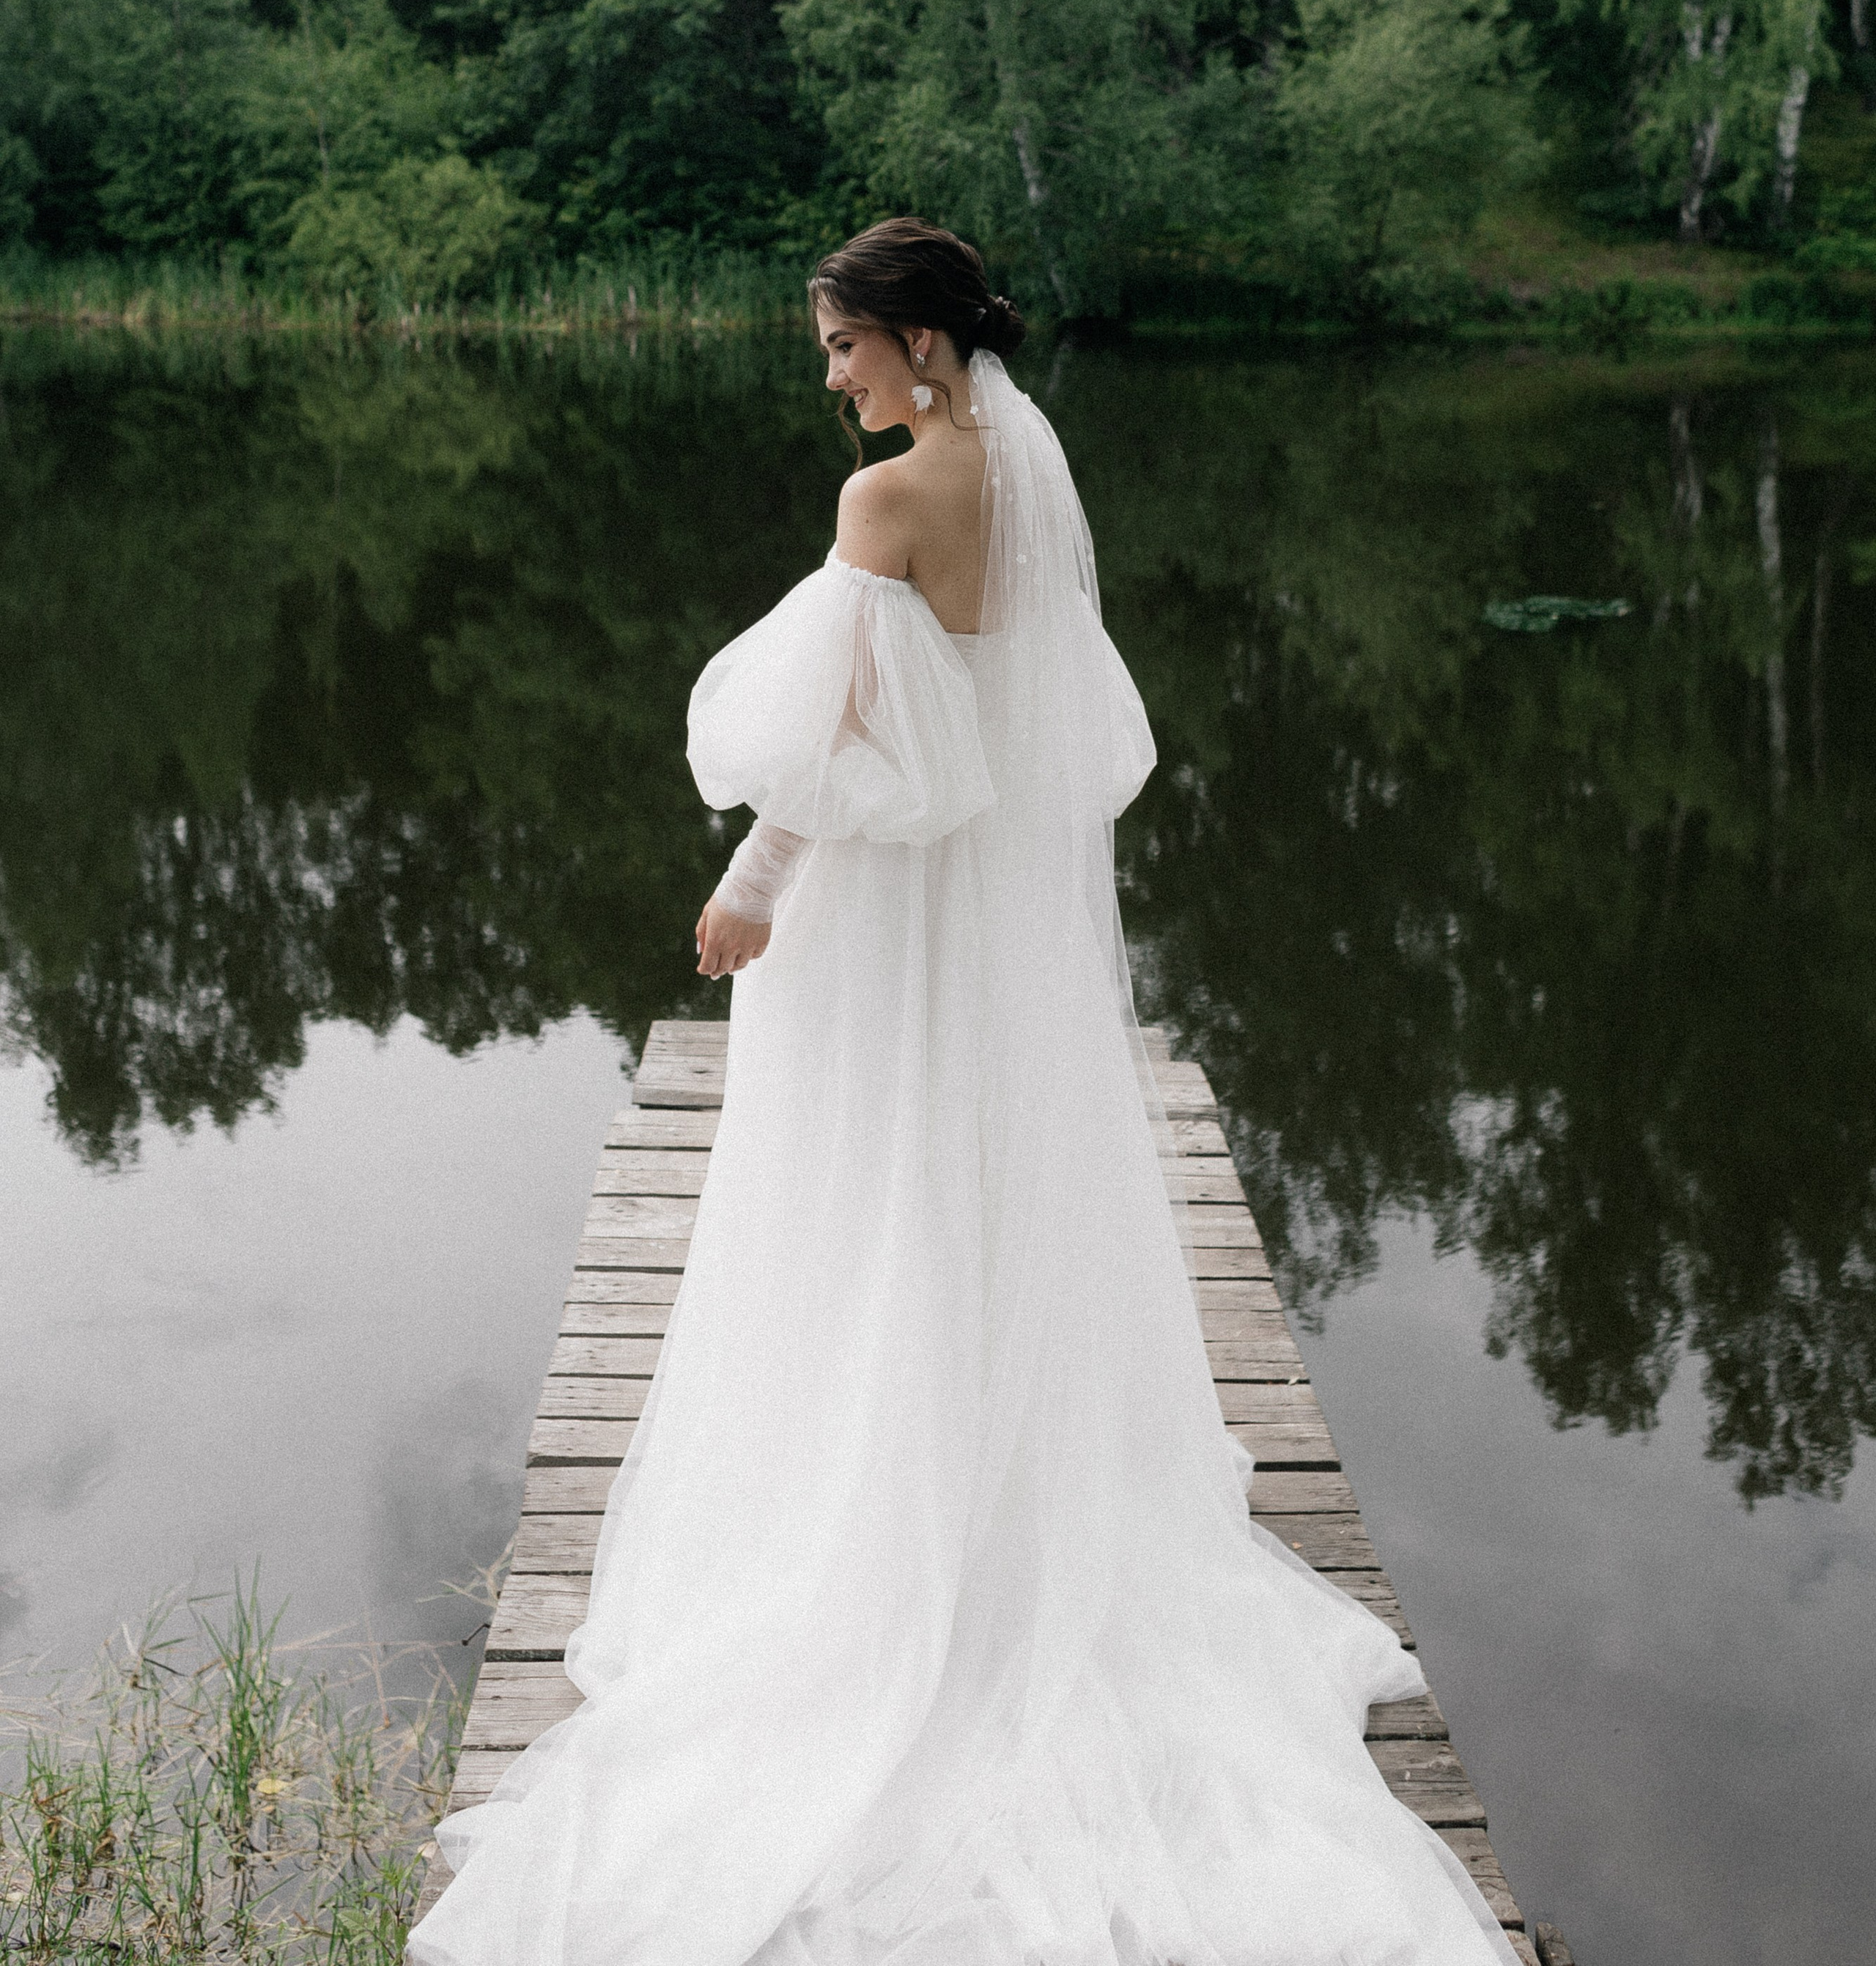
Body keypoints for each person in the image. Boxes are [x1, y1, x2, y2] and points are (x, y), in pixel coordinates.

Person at [413, 217, 1514, 1965]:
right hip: (995, 920)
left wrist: (747, 890)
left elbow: (836, 745)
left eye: (842, 345)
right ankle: (992, 1498)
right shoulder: (1025, 470)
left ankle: (881, 1530)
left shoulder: (890, 500)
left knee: (863, 1189)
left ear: (918, 343)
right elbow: (1029, 721)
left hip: (887, 912)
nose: (829, 376)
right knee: (975, 1179)